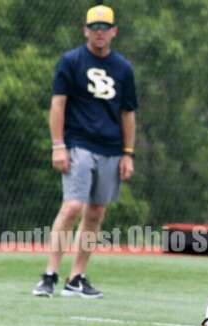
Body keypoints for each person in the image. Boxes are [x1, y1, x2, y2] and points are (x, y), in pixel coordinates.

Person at [32, 4, 137, 299]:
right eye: (94, 28)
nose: (100, 33)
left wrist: (128, 153)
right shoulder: (71, 62)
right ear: (85, 30)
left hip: (111, 148)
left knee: (96, 212)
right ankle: (49, 275)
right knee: (73, 206)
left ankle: (76, 278)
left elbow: (128, 114)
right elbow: (58, 105)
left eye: (105, 28)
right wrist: (58, 146)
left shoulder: (123, 69)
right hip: (78, 143)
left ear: (114, 31)